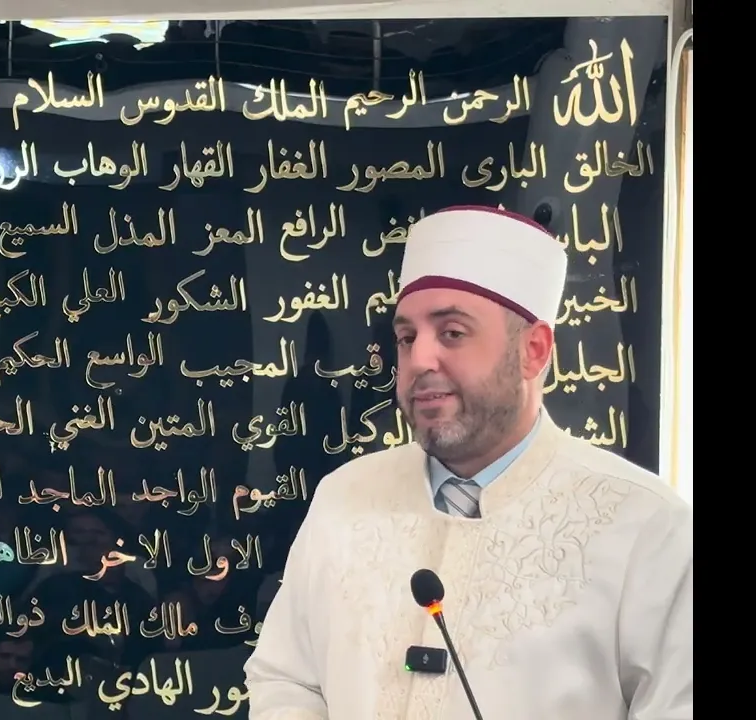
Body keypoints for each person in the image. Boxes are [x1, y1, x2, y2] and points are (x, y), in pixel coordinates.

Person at [244, 206, 692, 719]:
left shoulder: (648, 530)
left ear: (533, 350)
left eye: (452, 333)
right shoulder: (344, 497)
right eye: (406, 338)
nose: (419, 361)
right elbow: (285, 677)